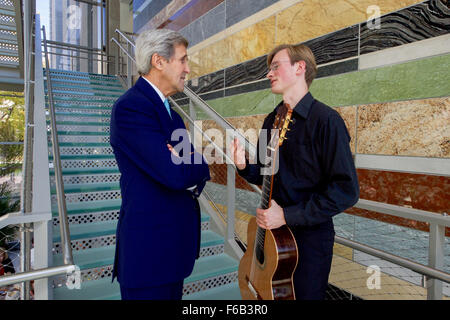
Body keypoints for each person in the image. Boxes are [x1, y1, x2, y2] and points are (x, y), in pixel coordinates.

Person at [230, 44, 359, 300]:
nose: (269, 73)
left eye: (276, 66)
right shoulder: (271, 119)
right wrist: (244, 166)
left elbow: (346, 191)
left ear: (300, 67)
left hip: (307, 242)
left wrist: (287, 215)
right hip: (270, 235)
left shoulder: (326, 121)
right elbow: (265, 174)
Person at [110, 29, 210, 300]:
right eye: (183, 60)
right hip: (148, 257)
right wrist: (185, 163)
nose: (188, 69)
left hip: (174, 251)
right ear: (159, 61)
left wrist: (188, 161)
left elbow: (192, 168)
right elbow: (177, 175)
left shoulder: (174, 117)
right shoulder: (131, 107)